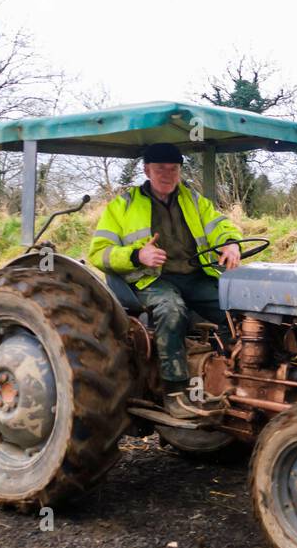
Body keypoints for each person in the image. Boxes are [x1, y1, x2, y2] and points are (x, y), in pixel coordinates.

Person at [88, 143, 241, 420]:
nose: (168, 175)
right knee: (171, 309)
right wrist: (137, 255)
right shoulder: (123, 205)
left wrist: (230, 243)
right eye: (160, 169)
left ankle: (237, 379)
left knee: (235, 309)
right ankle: (175, 392)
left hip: (193, 275)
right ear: (147, 170)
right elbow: (99, 253)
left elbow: (219, 224)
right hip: (149, 280)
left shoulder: (192, 200)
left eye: (174, 169)